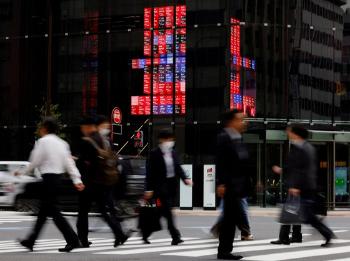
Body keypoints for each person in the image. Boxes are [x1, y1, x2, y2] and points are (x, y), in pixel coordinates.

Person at [18, 117, 84, 252]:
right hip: (57, 179)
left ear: (45, 128)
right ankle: (31, 241)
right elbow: (69, 163)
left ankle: (73, 240)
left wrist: (23, 172)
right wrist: (77, 180)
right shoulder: (63, 143)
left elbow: (35, 161)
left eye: (41, 127)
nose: (40, 130)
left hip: (48, 179)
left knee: (53, 211)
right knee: (44, 211)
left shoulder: (43, 142)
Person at [270, 125, 335, 247]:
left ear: (296, 134)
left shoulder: (305, 148)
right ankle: (284, 237)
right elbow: (294, 167)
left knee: (306, 215)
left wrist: (297, 186)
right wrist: (282, 170)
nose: (288, 133)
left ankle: (327, 233)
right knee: (291, 211)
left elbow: (305, 170)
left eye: (289, 131)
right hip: (298, 186)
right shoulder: (298, 147)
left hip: (303, 188)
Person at [76, 116, 129, 248]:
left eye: (83, 128)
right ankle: (119, 234)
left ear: (88, 126)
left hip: (88, 183)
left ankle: (83, 239)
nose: (82, 130)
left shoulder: (88, 141)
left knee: (83, 212)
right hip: (103, 182)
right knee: (104, 212)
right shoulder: (105, 140)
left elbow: (81, 164)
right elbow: (114, 160)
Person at [144, 129, 192, 245]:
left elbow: (178, 168)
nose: (170, 141)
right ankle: (175, 237)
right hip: (159, 187)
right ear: (161, 140)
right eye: (168, 139)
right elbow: (150, 173)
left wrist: (185, 178)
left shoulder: (173, 152)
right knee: (168, 212)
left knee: (160, 213)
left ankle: (146, 233)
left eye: (171, 139)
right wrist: (149, 189)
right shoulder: (154, 153)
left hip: (171, 186)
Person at [216, 109, 251, 260]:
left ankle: (224, 249)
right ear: (231, 121)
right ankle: (224, 251)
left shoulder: (238, 137)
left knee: (230, 218)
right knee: (232, 217)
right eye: (241, 119)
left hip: (238, 185)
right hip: (229, 185)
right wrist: (221, 183)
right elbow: (221, 162)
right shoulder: (224, 137)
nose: (244, 122)